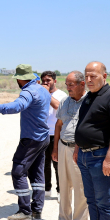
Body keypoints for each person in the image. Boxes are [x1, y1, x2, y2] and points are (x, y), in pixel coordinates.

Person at [0, 64, 50, 220]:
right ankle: (37, 209)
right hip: (43, 138)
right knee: (37, 173)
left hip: (31, 139)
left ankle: (25, 211)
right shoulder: (42, 89)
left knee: (18, 171)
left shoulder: (28, 91)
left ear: (20, 79)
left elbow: (18, 106)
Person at [74, 61, 110, 220]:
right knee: (91, 199)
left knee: (104, 202)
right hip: (83, 156)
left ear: (104, 76)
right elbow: (82, 123)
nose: (88, 79)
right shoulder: (89, 96)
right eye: (86, 76)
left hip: (100, 157)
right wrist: (77, 149)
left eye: (93, 76)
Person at [50, 71, 90, 220]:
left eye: (71, 84)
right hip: (62, 146)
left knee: (80, 188)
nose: (68, 88)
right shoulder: (65, 101)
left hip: (79, 149)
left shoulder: (89, 102)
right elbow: (58, 124)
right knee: (64, 185)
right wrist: (55, 148)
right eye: (66, 84)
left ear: (82, 84)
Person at [41, 71, 67, 199]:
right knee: (44, 164)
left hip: (56, 134)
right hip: (43, 134)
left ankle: (60, 191)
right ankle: (46, 189)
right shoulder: (40, 93)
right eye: (43, 80)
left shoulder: (61, 95)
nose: (46, 83)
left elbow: (58, 107)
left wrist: (46, 94)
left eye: (48, 80)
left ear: (55, 81)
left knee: (57, 164)